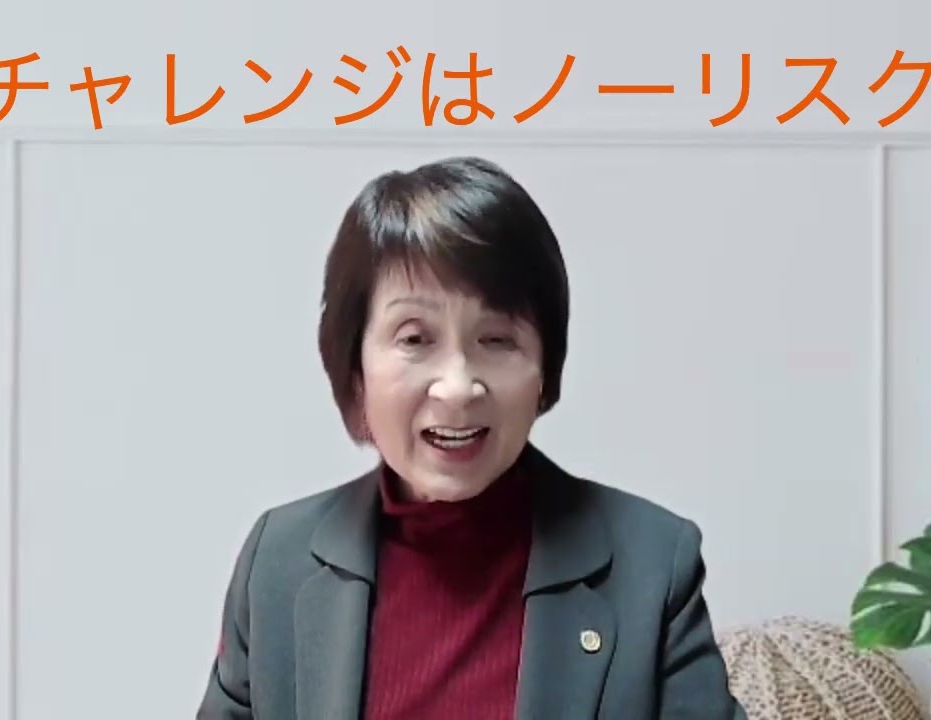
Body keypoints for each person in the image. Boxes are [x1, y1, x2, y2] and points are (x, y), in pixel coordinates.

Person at [195, 156, 747, 720]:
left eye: (497, 339)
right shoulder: (278, 561)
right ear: (356, 367)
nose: (458, 387)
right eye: (415, 339)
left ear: (544, 368)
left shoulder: (651, 564)